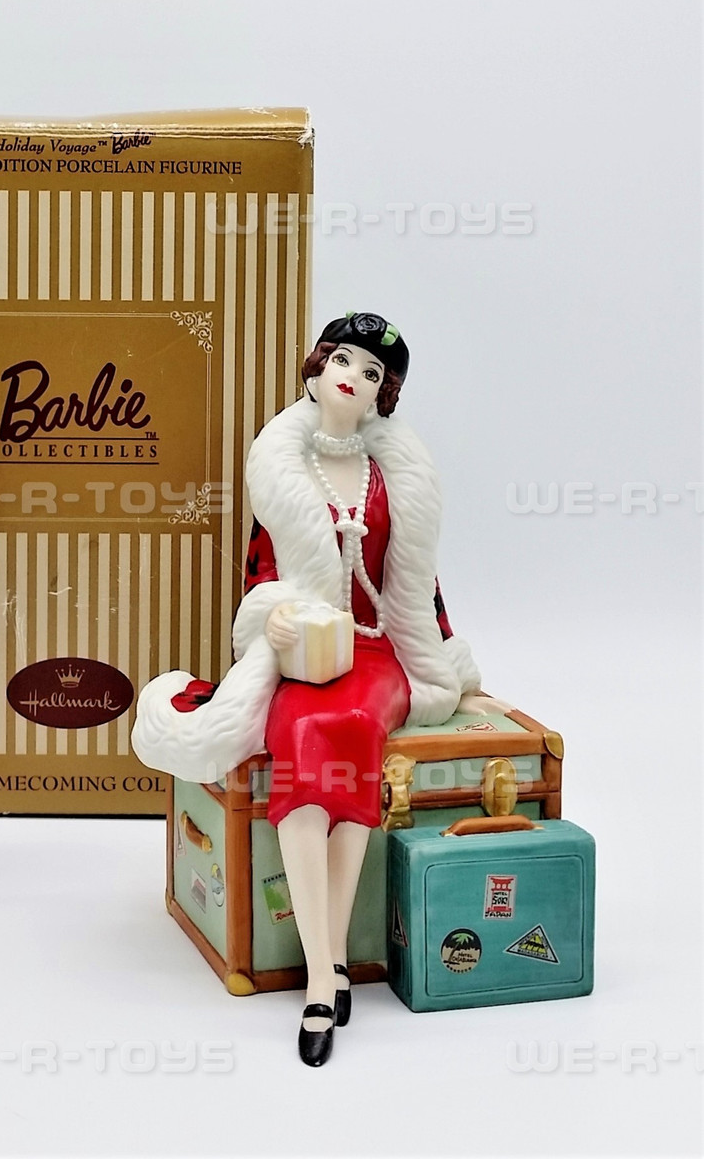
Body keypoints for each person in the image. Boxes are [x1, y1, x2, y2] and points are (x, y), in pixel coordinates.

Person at [131, 312, 485, 1067]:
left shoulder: (396, 477)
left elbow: (418, 585)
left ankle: (324, 974)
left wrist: (449, 664)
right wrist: (276, 616)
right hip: (306, 655)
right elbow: (263, 573)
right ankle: (328, 971)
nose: (353, 377)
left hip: (380, 652)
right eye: (343, 360)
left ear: (383, 395)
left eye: (372, 373)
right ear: (318, 367)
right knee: (300, 732)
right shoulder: (284, 474)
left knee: (352, 726)